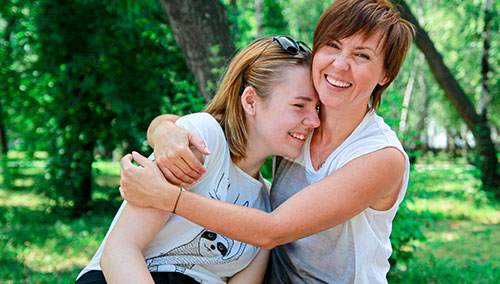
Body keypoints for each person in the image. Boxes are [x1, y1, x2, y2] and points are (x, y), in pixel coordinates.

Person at [119, 0, 415, 283]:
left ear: (386, 74)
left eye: (362, 55)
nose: (340, 64)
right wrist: (163, 129)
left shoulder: (381, 156)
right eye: (332, 46)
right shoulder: (304, 123)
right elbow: (226, 120)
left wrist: (168, 198)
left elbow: (273, 230)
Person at [75, 36, 320, 284]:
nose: (315, 121)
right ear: (250, 101)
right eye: (299, 105)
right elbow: (119, 252)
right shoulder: (202, 142)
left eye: (318, 108)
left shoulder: (268, 205)